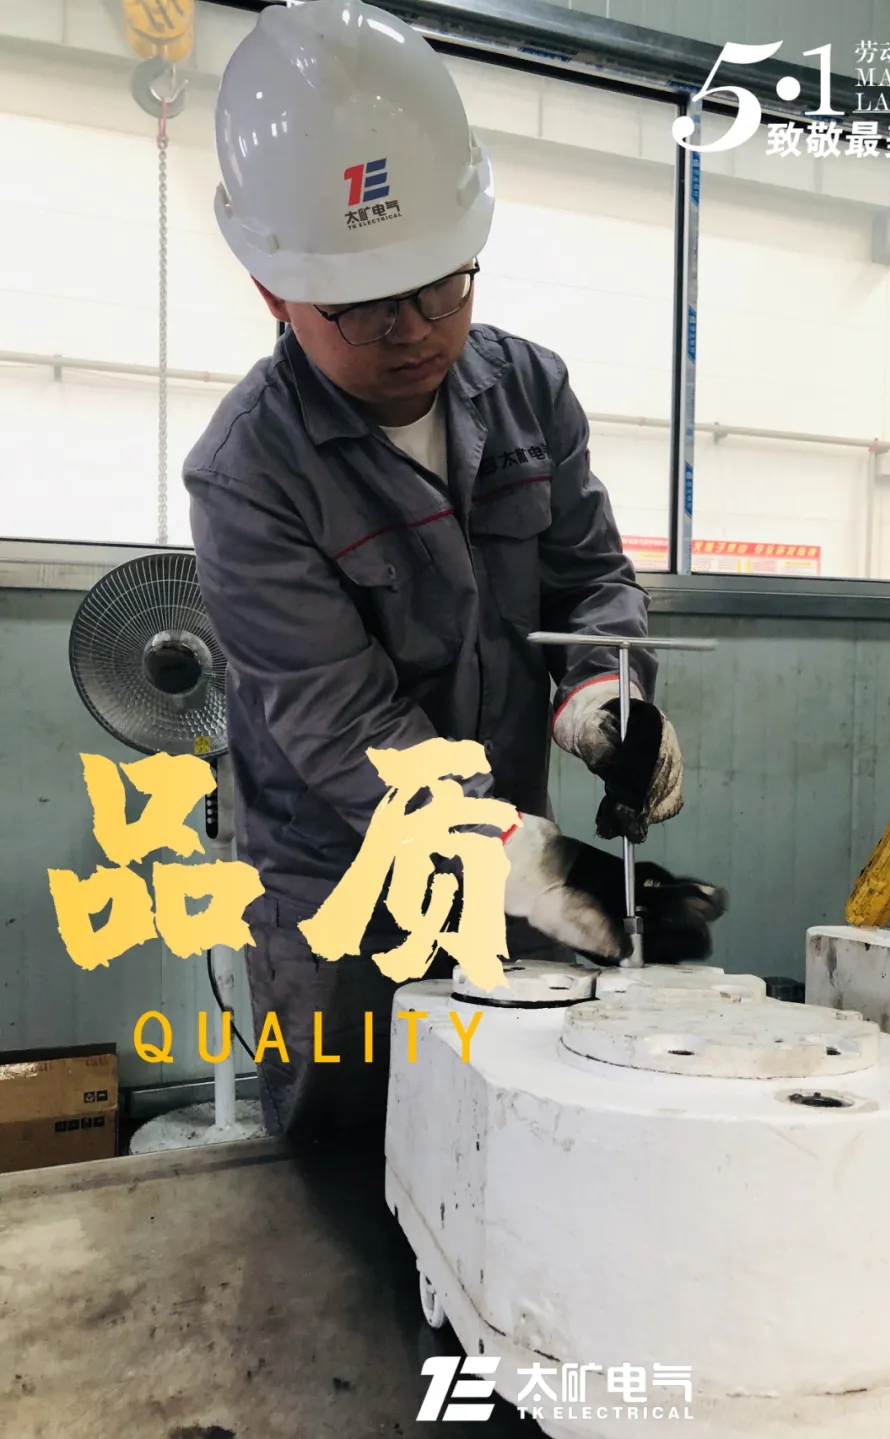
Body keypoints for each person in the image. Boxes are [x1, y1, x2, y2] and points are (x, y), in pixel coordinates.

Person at [184, 0, 725, 1146]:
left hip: (512, 871)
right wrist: (527, 865)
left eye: (445, 284)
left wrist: (603, 692)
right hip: (343, 904)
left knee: (509, 1153)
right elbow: (341, 724)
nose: (418, 329)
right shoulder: (248, 476)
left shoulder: (530, 390)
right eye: (366, 306)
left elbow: (589, 577)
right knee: (346, 1176)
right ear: (275, 291)